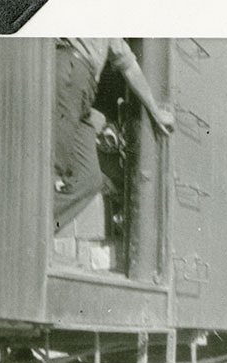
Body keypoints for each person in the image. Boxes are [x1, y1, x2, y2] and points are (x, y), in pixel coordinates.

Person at [53, 38, 175, 231]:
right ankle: (25, 236)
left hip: (85, 85)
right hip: (71, 69)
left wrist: (155, 111)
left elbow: (128, 64)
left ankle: (33, 230)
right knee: (53, 166)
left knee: (88, 178)